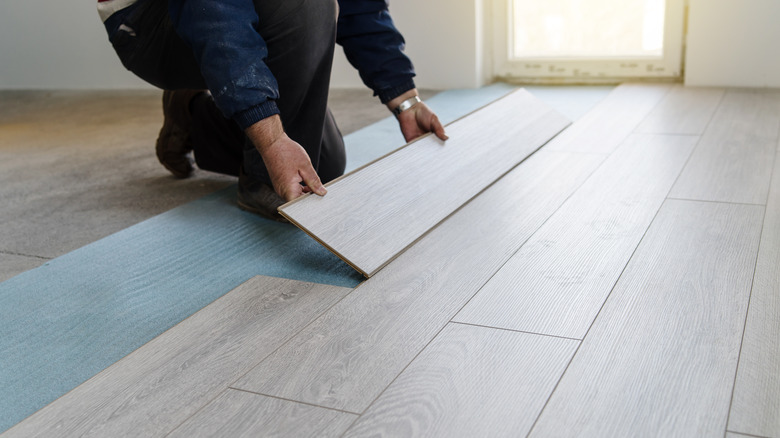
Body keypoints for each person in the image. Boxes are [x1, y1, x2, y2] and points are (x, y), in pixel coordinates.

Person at [97, 0, 448, 221]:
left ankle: (192, 111)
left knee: (323, 164)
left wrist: (406, 100)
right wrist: (271, 139)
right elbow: (216, 15)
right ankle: (260, 178)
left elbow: (361, 6)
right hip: (150, 20)